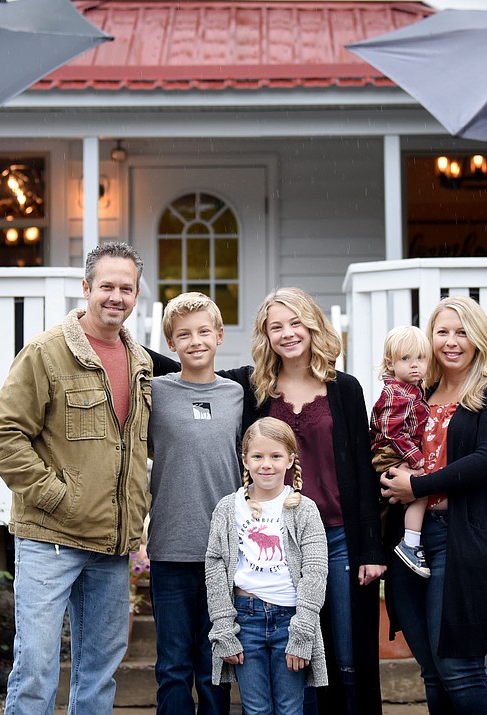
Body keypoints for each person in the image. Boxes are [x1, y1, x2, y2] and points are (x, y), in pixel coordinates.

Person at [156, 286, 386, 713]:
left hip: (336, 538)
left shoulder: (346, 389)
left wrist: (372, 546)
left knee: (346, 653)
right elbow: (192, 367)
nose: (287, 333)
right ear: (265, 335)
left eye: (295, 322)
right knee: (297, 653)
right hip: (274, 541)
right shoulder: (252, 386)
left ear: (313, 325)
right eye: (275, 326)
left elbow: (363, 470)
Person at [0, 241, 152, 715]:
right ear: (86, 288)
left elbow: (136, 446)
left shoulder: (140, 363)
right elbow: (3, 436)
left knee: (99, 671)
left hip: (111, 545)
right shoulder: (46, 352)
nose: (115, 296)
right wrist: (58, 497)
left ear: (136, 295)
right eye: (106, 286)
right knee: (36, 666)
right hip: (50, 539)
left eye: (126, 288)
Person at [380, 295, 487, 715]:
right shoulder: (418, 391)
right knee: (431, 669)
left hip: (464, 540)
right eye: (442, 331)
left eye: (461, 331)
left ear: (478, 337)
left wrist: (419, 485)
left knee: (459, 668)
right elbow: (392, 444)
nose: (451, 341)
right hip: (411, 539)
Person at [147, 292, 242, 715]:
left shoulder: (240, 395)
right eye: (184, 334)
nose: (196, 340)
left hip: (226, 552)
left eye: (205, 331)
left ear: (220, 335)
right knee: (173, 666)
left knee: (215, 666)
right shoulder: (154, 393)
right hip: (170, 548)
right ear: (171, 343)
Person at [205, 417, 329, 715]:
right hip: (245, 622)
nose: (267, 464)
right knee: (256, 708)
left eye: (275, 456)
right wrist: (224, 628)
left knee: (289, 708)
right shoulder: (227, 508)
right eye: (258, 456)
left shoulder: (303, 508)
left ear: (289, 460)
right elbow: (215, 568)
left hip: (291, 621)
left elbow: (315, 570)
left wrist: (303, 632)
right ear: (245, 460)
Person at [368, 325, 434, 579]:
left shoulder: (415, 390)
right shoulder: (397, 394)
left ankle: (403, 542)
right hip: (391, 453)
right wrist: (416, 459)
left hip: (399, 451)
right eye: (405, 359)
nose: (414, 365)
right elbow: (393, 432)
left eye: (421, 358)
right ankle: (410, 544)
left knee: (394, 504)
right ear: (391, 363)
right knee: (419, 489)